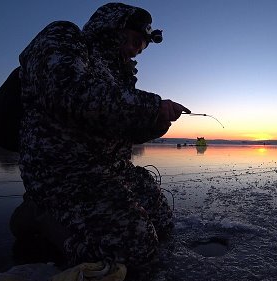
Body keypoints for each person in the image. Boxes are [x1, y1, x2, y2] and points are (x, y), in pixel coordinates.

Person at [10, 3, 191, 267]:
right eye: (132, 41)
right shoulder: (65, 38)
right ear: (112, 28)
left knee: (161, 221)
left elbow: (123, 129)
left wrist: (158, 121)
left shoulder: (119, 75)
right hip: (63, 171)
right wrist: (152, 105)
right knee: (135, 247)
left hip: (108, 170)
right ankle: (39, 214)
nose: (134, 51)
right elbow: (73, 94)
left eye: (140, 48)